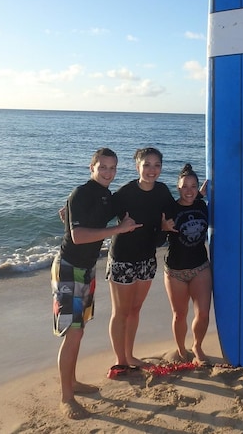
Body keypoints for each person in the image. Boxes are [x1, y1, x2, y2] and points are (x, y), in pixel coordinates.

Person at [53, 147, 140, 419]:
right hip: (69, 269)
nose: (108, 173)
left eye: (112, 168)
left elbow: (130, 203)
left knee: (79, 330)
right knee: (73, 334)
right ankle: (67, 397)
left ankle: (73, 382)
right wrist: (117, 229)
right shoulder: (82, 192)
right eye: (102, 167)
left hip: (87, 269)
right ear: (91, 168)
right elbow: (77, 236)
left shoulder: (105, 196)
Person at [106, 147, 175, 375]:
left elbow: (175, 213)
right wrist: (72, 212)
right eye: (147, 164)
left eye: (156, 165)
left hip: (146, 258)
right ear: (137, 167)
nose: (152, 170)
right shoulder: (126, 192)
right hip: (123, 258)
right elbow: (100, 212)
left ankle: (130, 355)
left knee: (135, 310)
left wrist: (199, 195)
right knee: (121, 312)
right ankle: (120, 360)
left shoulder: (163, 192)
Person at [160, 163, 212, 364]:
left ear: (198, 188)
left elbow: (197, 199)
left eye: (193, 186)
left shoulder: (202, 204)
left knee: (204, 313)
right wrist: (163, 227)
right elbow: (155, 239)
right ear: (178, 187)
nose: (188, 191)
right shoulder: (170, 209)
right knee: (180, 314)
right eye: (184, 186)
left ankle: (197, 346)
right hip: (175, 271)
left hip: (200, 267)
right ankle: (181, 350)